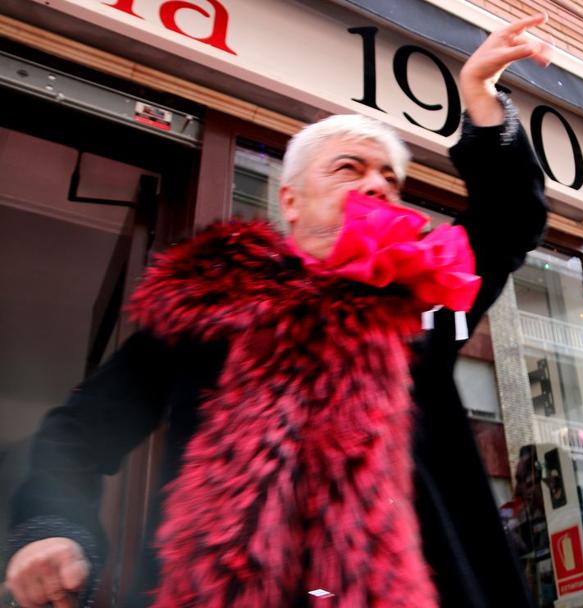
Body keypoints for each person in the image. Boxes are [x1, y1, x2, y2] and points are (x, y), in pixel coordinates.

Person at [3, 14, 552, 608]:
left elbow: (509, 222)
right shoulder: (210, 303)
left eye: (390, 179)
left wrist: (479, 94)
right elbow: (77, 434)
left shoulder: (421, 299)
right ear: (290, 200)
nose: (378, 187)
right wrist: (53, 525)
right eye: (349, 168)